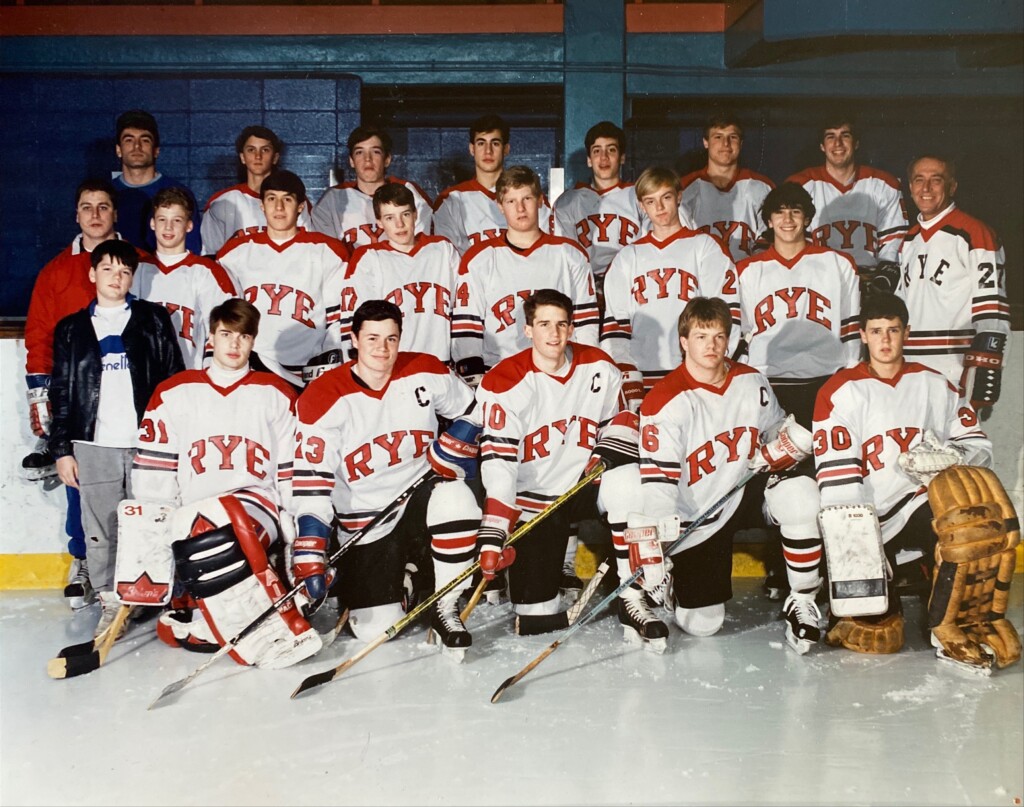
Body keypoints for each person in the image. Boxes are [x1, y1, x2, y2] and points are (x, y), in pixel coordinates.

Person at [811, 293, 1016, 670]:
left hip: (921, 503)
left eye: (893, 331)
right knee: (880, 634)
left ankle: (950, 625)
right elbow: (838, 482)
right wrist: (859, 552)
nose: (885, 341)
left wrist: (952, 458)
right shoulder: (839, 391)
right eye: (876, 332)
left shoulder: (935, 384)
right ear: (863, 335)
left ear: (907, 332)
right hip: (866, 517)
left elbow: (977, 445)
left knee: (972, 525)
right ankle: (872, 591)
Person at [121, 298, 323, 668]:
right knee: (201, 522)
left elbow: (289, 468)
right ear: (210, 337)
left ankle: (251, 624)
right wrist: (160, 524)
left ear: (253, 341)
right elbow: (155, 470)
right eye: (226, 334)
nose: (234, 345)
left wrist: (292, 519)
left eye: (244, 337)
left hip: (256, 507)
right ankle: (219, 619)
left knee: (222, 522)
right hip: (193, 513)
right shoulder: (173, 391)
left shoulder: (276, 393)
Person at [291, 299, 482, 659]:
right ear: (354, 339)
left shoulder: (423, 370)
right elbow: (311, 481)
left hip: (420, 493)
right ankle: (412, 578)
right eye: (373, 338)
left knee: (457, 497)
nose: (382, 349)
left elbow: (474, 407)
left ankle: (446, 603)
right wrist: (312, 544)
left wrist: (460, 436)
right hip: (368, 516)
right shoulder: (323, 396)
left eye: (391, 339)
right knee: (374, 630)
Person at [632, 296, 811, 647]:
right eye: (701, 336)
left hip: (744, 487)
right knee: (703, 625)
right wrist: (661, 542)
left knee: (802, 496)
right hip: (700, 509)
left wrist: (783, 443)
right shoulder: (665, 400)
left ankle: (802, 598)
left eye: (718, 336)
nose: (711, 345)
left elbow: (773, 427)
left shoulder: (751, 381)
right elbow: (659, 484)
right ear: (683, 342)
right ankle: (675, 583)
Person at [473, 290, 644, 642]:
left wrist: (605, 452)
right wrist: (494, 534)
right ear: (528, 330)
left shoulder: (598, 365)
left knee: (629, 480)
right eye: (544, 325)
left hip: (583, 485)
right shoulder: (504, 382)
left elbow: (623, 418)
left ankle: (633, 592)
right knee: (536, 612)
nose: (554, 334)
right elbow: (500, 464)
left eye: (562, 325)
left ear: (572, 328)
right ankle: (542, 577)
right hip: (533, 500)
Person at [23, 178, 151, 610]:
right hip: (82, 402)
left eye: (103, 206)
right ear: (76, 215)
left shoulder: (142, 263)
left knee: (145, 492)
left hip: (135, 405)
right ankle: (85, 561)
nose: (95, 214)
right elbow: (39, 335)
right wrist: (39, 393)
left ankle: (147, 574)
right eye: (86, 207)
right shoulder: (56, 271)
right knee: (81, 486)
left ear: (115, 214)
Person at [48, 239, 184, 638]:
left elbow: (172, 380)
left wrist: (172, 437)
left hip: (147, 443)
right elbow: (62, 392)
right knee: (103, 526)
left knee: (155, 521)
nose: (116, 277)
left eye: (124, 271)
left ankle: (155, 595)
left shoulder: (152, 320)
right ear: (92, 274)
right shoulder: (72, 329)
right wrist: (62, 449)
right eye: (108, 269)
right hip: (95, 445)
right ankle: (110, 599)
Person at [734, 181, 860, 609]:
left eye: (795, 212)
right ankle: (778, 565)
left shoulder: (837, 264)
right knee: (778, 477)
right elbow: (742, 337)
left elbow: (852, 333)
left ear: (807, 217)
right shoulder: (751, 271)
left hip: (824, 382)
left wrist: (849, 387)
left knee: (824, 480)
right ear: (767, 221)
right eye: (779, 213)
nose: (787, 220)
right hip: (773, 385)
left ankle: (824, 574)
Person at [451, 165, 598, 379]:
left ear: (540, 201)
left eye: (527, 199)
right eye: (511, 201)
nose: (520, 209)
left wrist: (585, 371)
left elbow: (586, 325)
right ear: (500, 206)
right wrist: (474, 380)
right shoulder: (479, 258)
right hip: (500, 372)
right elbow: (467, 329)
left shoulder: (570, 254)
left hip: (559, 371)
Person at [601, 166, 738, 396]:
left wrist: (717, 367)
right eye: (651, 201)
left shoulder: (705, 246)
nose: (660, 207)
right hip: (643, 373)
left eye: (666, 197)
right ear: (642, 206)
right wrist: (626, 376)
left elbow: (728, 315)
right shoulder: (627, 256)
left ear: (679, 197)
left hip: (696, 371)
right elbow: (615, 329)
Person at [897, 154, 1010, 420]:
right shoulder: (909, 240)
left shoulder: (975, 233)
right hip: (911, 367)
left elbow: (992, 309)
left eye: (936, 180)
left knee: (959, 458)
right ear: (910, 188)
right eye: (919, 180)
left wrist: (983, 367)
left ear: (952, 186)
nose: (926, 189)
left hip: (954, 368)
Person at [216, 170, 349, 390]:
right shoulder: (234, 253)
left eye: (287, 199)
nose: (278, 207)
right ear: (262, 205)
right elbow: (227, 321)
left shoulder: (328, 251)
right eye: (271, 199)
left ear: (300, 206)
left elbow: (337, 319)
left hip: (308, 370)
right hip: (252, 366)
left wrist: (327, 362)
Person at [786, 113, 908, 295]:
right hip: (818, 281)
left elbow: (893, 245)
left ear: (856, 143)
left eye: (845, 135)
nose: (838, 144)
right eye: (830, 137)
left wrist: (881, 281)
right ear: (821, 146)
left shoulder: (883, 184)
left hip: (872, 281)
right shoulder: (800, 185)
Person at [339, 183, 460, 363]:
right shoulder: (368, 258)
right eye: (389, 218)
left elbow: (462, 306)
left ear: (415, 214)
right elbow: (358, 322)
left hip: (440, 362)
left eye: (405, 214)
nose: (399, 224)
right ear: (379, 222)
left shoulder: (442, 249)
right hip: (391, 365)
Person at [129, 186, 237, 369]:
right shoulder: (136, 269)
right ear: (152, 223)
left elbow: (226, 327)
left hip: (189, 376)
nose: (168, 227)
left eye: (177, 220)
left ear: (189, 225)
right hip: (144, 374)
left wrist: (211, 371)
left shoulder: (207, 271)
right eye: (162, 219)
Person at [433, 114, 552, 255]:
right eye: (481, 143)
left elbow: (546, 252)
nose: (488, 151)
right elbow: (446, 259)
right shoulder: (450, 200)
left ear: (506, 149)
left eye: (495, 143)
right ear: (472, 149)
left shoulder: (530, 197)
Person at [552, 121, 646, 298]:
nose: (603, 158)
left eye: (611, 150)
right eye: (597, 151)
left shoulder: (639, 195)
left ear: (622, 157)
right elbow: (565, 255)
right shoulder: (568, 201)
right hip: (584, 290)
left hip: (632, 288)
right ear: (589, 159)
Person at [311, 124, 434, 249]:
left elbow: (421, 251)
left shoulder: (408, 191)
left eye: (375, 152)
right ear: (351, 161)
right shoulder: (332, 199)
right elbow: (326, 255)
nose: (367, 159)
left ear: (387, 159)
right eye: (359, 152)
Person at [200, 125, 313, 256]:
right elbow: (211, 256)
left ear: (275, 157)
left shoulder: (295, 199)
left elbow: (307, 250)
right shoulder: (222, 201)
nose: (258, 156)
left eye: (265, 150)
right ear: (242, 157)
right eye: (251, 150)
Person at [679, 111, 775, 264]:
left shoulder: (761, 187)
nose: (726, 144)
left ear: (741, 143)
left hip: (748, 280)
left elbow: (769, 244)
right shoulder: (685, 188)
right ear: (705, 142)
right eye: (718, 137)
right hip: (703, 281)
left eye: (733, 137)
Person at [111, 109, 202, 254]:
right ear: (118, 150)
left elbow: (190, 252)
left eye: (145, 140)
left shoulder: (179, 193)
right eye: (129, 140)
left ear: (156, 150)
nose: (137, 146)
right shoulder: (106, 194)